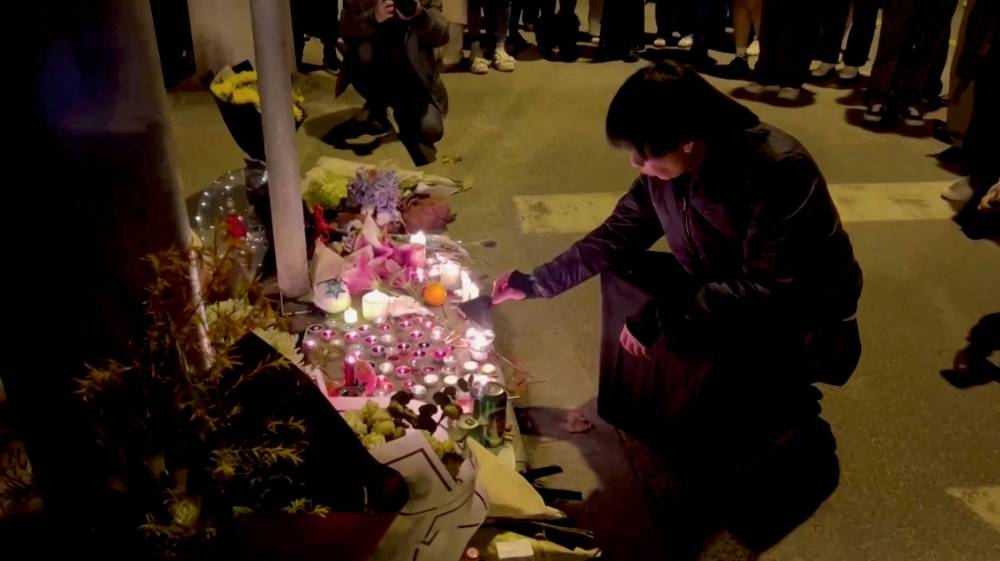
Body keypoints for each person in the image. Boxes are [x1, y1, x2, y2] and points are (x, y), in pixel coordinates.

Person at [493, 61, 863, 475]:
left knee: (739, 452)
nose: (635, 163)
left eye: (643, 152)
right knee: (625, 271)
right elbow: (615, 236)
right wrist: (536, 283)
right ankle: (711, 393)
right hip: (724, 286)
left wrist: (661, 316)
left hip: (801, 314)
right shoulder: (668, 171)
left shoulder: (776, 168)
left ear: (687, 140)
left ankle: (784, 403)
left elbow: (771, 289)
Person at [334, 0, 449, 166]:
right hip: (375, 74)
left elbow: (443, 35)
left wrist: (420, 15)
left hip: (412, 80)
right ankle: (376, 105)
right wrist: (372, 17)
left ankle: (401, 111)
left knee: (431, 129)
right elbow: (345, 29)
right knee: (363, 51)